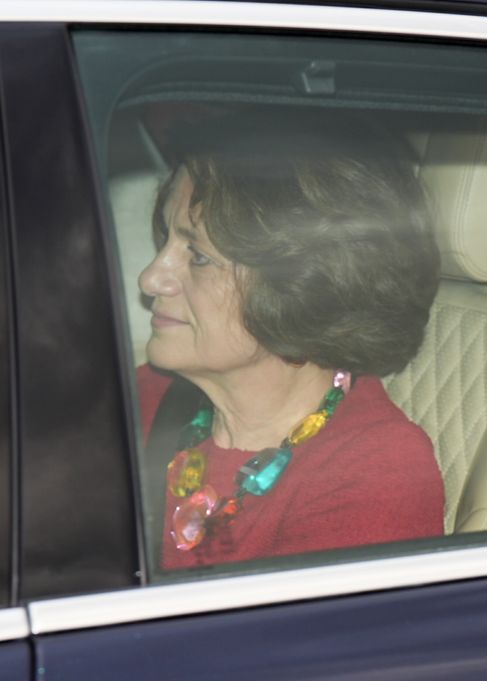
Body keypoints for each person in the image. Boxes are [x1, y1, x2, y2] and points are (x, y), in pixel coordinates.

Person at [136, 109, 444, 569]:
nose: (150, 279)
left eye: (197, 256)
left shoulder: (375, 474)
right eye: (166, 241)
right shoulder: (147, 395)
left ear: (302, 286)